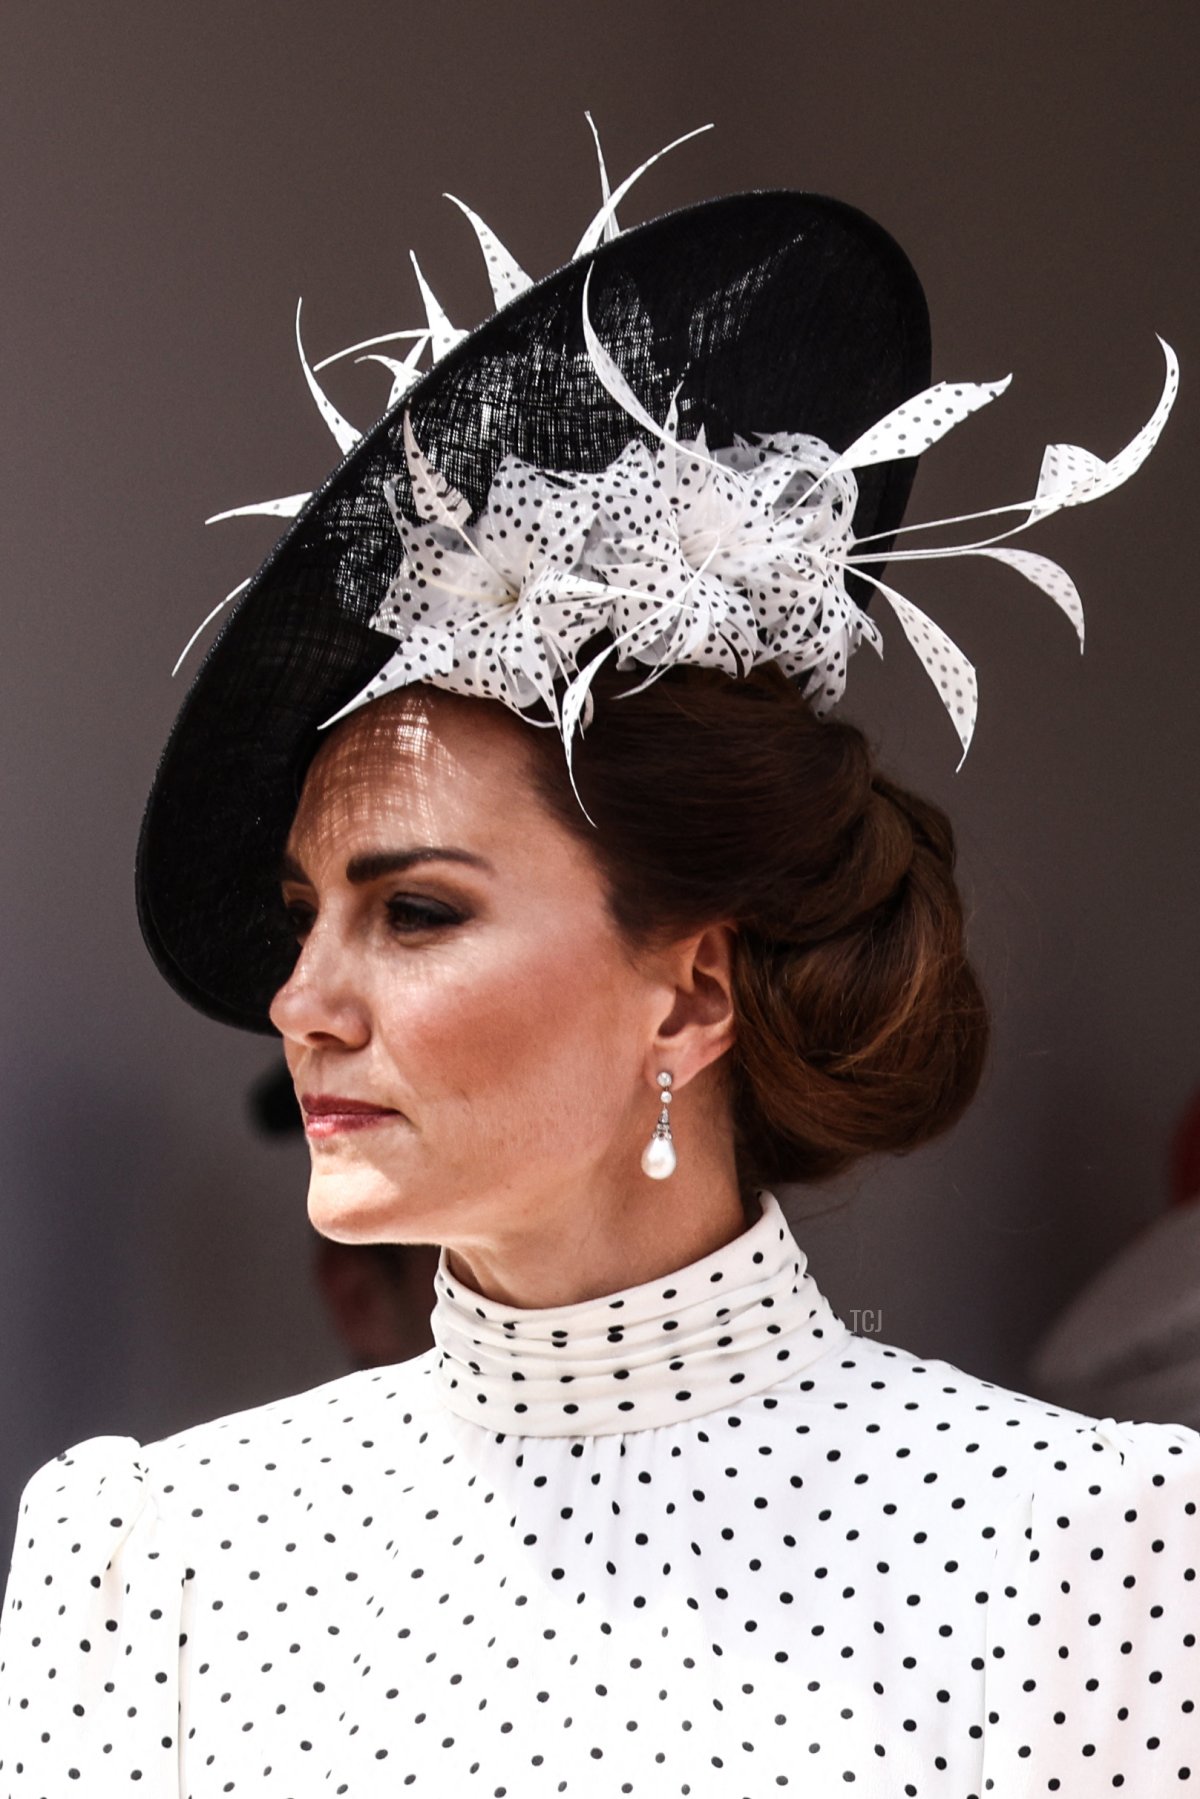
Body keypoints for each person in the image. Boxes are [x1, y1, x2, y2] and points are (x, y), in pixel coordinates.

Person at [2, 124, 1196, 1795]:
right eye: (303, 915)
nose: (300, 1003)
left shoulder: (1092, 1547)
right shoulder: (154, 1559)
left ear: (693, 992)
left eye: (414, 912)